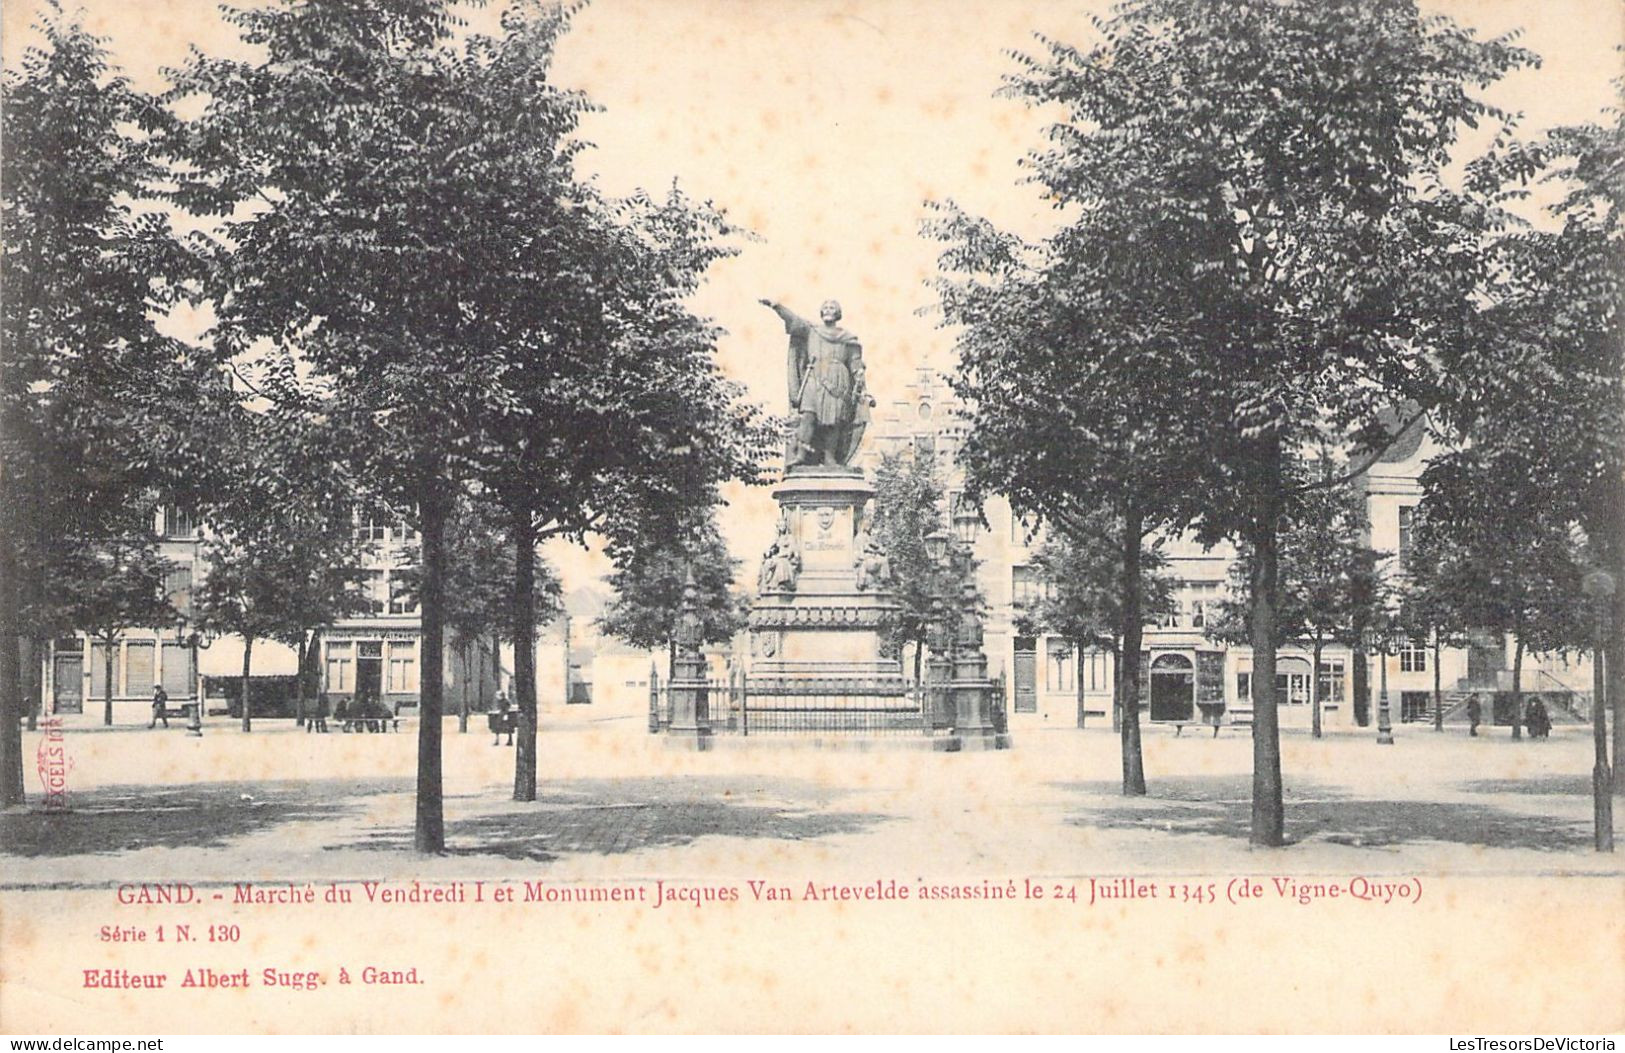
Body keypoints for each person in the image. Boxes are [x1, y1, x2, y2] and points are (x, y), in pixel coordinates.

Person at [760, 298, 872, 467]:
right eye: (825, 307)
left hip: (838, 380)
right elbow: (792, 319)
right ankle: (801, 454)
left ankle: (829, 458)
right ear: (821, 313)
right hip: (814, 377)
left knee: (834, 423)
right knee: (808, 416)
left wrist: (861, 383)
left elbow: (855, 365)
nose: (828, 309)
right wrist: (776, 306)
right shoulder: (811, 330)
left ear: (838, 313)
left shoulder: (848, 339)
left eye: (832, 307)